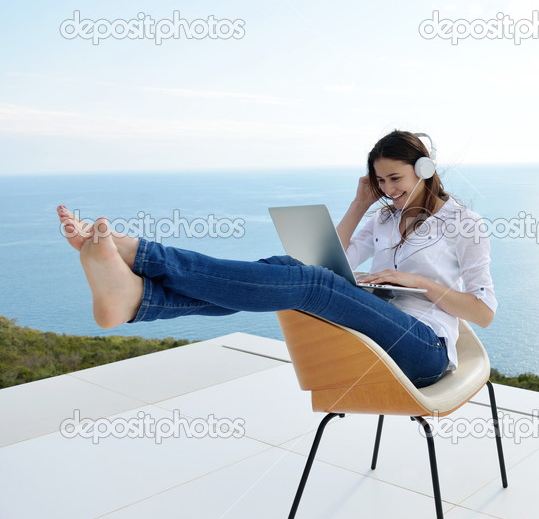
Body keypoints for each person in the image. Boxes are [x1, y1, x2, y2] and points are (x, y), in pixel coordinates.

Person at [56, 130, 497, 388]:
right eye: (380, 181)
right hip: (381, 323)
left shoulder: (464, 222)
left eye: (395, 178)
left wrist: (419, 284)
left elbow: (483, 313)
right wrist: (359, 205)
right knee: (289, 269)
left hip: (425, 350)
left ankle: (141, 259)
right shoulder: (381, 217)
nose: (388, 189)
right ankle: (137, 299)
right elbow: (322, 260)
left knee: (310, 284)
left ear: (423, 169)